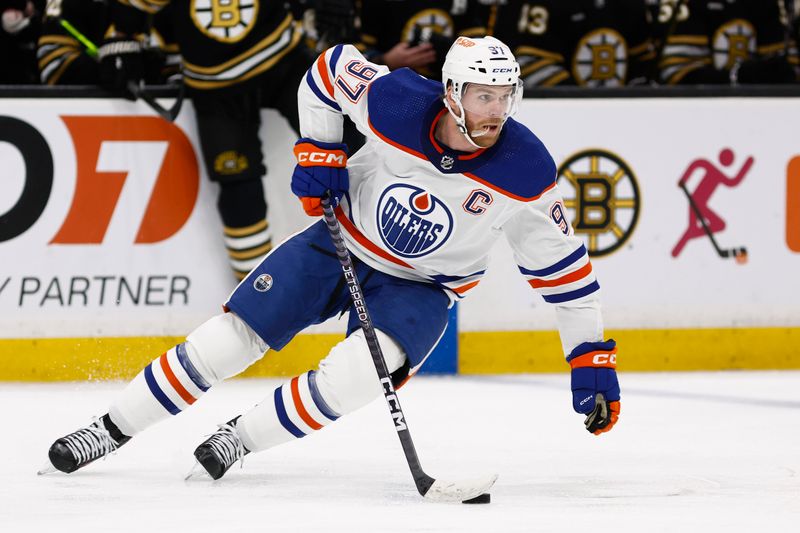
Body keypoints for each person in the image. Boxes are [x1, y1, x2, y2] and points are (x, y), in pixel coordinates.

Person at [44, 36, 622, 481]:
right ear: (452, 93)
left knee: (356, 379)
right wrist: (319, 148)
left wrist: (590, 356)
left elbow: (566, 275)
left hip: (421, 287)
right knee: (228, 340)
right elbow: (326, 71)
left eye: (505, 96)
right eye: (483, 96)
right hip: (337, 242)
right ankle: (109, 429)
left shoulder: (526, 170)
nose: (496, 111)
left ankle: (238, 440)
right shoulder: (397, 101)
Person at [101, 0, 317, 280]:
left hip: (284, 61)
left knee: (348, 145)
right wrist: (122, 41)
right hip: (215, 90)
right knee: (237, 186)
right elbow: (131, 9)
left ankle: (381, 252)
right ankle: (256, 293)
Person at [489, 0, 656, 88]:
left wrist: (636, 90)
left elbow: (642, 60)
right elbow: (530, 62)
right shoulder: (544, 4)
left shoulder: (631, 4)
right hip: (561, 116)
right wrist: (578, 97)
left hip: (625, 116)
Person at [653, 0, 796, 84]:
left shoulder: (769, 4)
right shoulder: (686, 4)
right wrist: (737, 77)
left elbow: (785, 71)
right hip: (694, 116)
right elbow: (677, 76)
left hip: (761, 115)